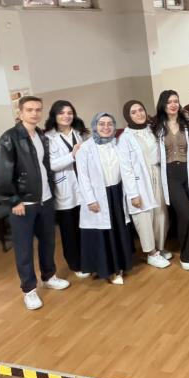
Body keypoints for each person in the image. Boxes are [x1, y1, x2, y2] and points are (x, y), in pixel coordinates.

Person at [0, 96, 70, 310]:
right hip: (23, 204)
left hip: (45, 199)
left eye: (38, 109)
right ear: (20, 112)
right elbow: (0, 175)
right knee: (24, 248)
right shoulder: (9, 138)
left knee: (48, 241)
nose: (34, 113)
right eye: (29, 109)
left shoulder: (41, 135)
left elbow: (44, 167)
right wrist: (13, 200)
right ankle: (29, 289)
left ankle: (49, 276)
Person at [77, 113, 134, 285]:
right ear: (95, 126)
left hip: (117, 192)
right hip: (98, 195)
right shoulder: (85, 148)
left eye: (110, 124)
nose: (106, 127)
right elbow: (83, 177)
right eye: (102, 124)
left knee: (119, 230)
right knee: (104, 234)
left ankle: (121, 265)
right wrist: (90, 200)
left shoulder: (117, 144)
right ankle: (110, 269)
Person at [117, 100, 171, 269]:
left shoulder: (152, 130)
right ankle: (151, 253)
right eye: (133, 112)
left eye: (141, 110)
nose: (139, 114)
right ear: (127, 116)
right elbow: (126, 169)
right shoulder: (125, 138)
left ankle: (160, 247)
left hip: (157, 174)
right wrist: (133, 194)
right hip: (139, 180)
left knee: (160, 214)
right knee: (144, 217)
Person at [153, 90, 189, 270]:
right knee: (184, 214)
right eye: (169, 102)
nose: (173, 105)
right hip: (171, 175)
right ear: (163, 105)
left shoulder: (188, 123)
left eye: (176, 101)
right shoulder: (156, 127)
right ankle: (187, 256)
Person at [45, 100, 90, 278]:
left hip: (84, 187)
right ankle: (75, 264)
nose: (66, 116)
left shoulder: (81, 133)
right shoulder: (48, 138)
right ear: (54, 116)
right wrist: (72, 155)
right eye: (61, 113)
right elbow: (50, 165)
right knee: (69, 231)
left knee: (85, 227)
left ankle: (88, 259)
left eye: (69, 113)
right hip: (65, 189)